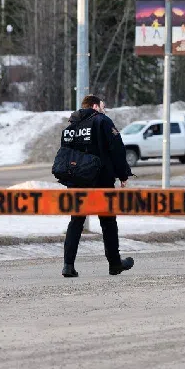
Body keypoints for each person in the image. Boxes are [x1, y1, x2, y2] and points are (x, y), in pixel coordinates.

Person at [60, 95, 134, 278]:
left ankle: (68, 266)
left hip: (76, 181)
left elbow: (65, 156)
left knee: (76, 221)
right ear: (95, 106)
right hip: (101, 180)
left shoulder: (70, 127)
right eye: (102, 105)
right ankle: (114, 264)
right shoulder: (102, 121)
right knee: (108, 222)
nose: (104, 108)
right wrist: (123, 174)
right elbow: (117, 149)